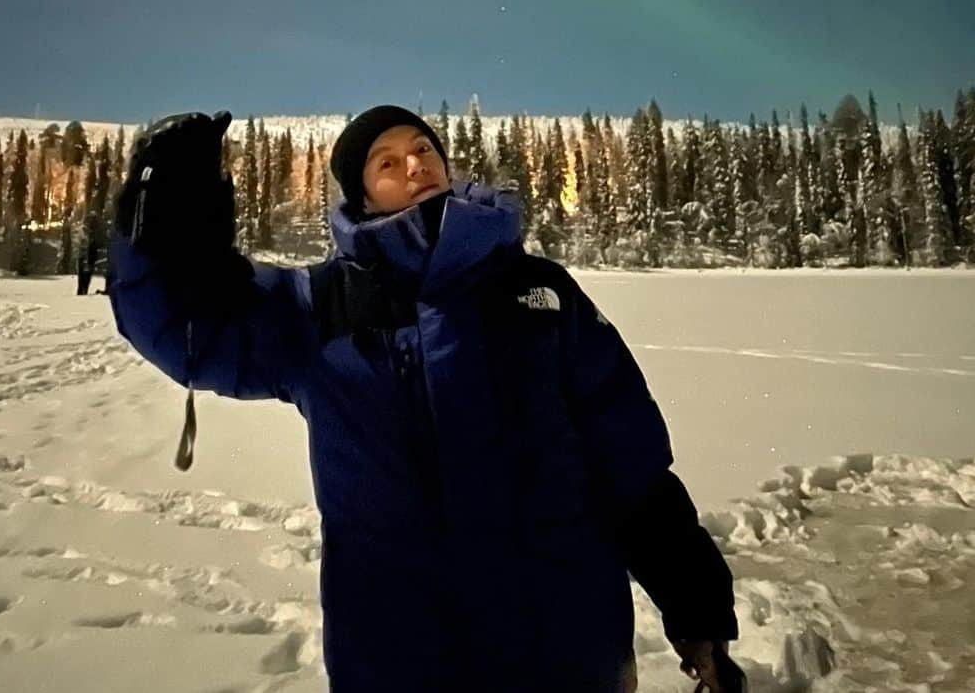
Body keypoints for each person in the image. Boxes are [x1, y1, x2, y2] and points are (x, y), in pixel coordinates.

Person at [108, 105, 744, 693]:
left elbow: (628, 459)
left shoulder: (541, 294)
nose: (415, 165)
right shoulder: (319, 308)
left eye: (424, 150)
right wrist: (167, 215)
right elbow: (188, 328)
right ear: (360, 196)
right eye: (387, 162)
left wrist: (695, 605)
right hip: (400, 657)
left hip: (567, 650)